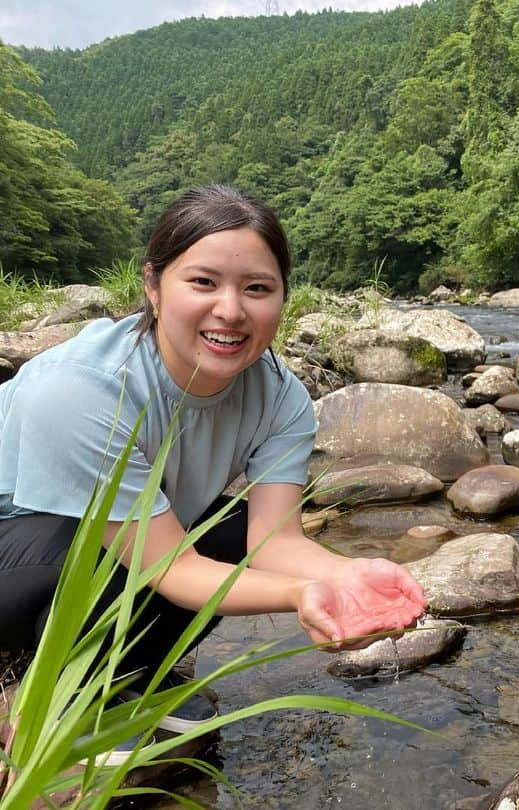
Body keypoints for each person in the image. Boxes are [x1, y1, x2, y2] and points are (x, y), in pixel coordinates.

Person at [0, 185, 426, 763]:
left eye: (257, 288)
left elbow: (276, 540)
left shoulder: (281, 397)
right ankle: (51, 693)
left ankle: (129, 680)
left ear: (282, 298)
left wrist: (347, 574)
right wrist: (304, 596)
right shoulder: (84, 389)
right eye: (203, 282)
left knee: (228, 530)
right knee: (89, 551)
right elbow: (168, 566)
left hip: (104, 549)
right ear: (152, 286)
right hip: (21, 552)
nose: (231, 310)